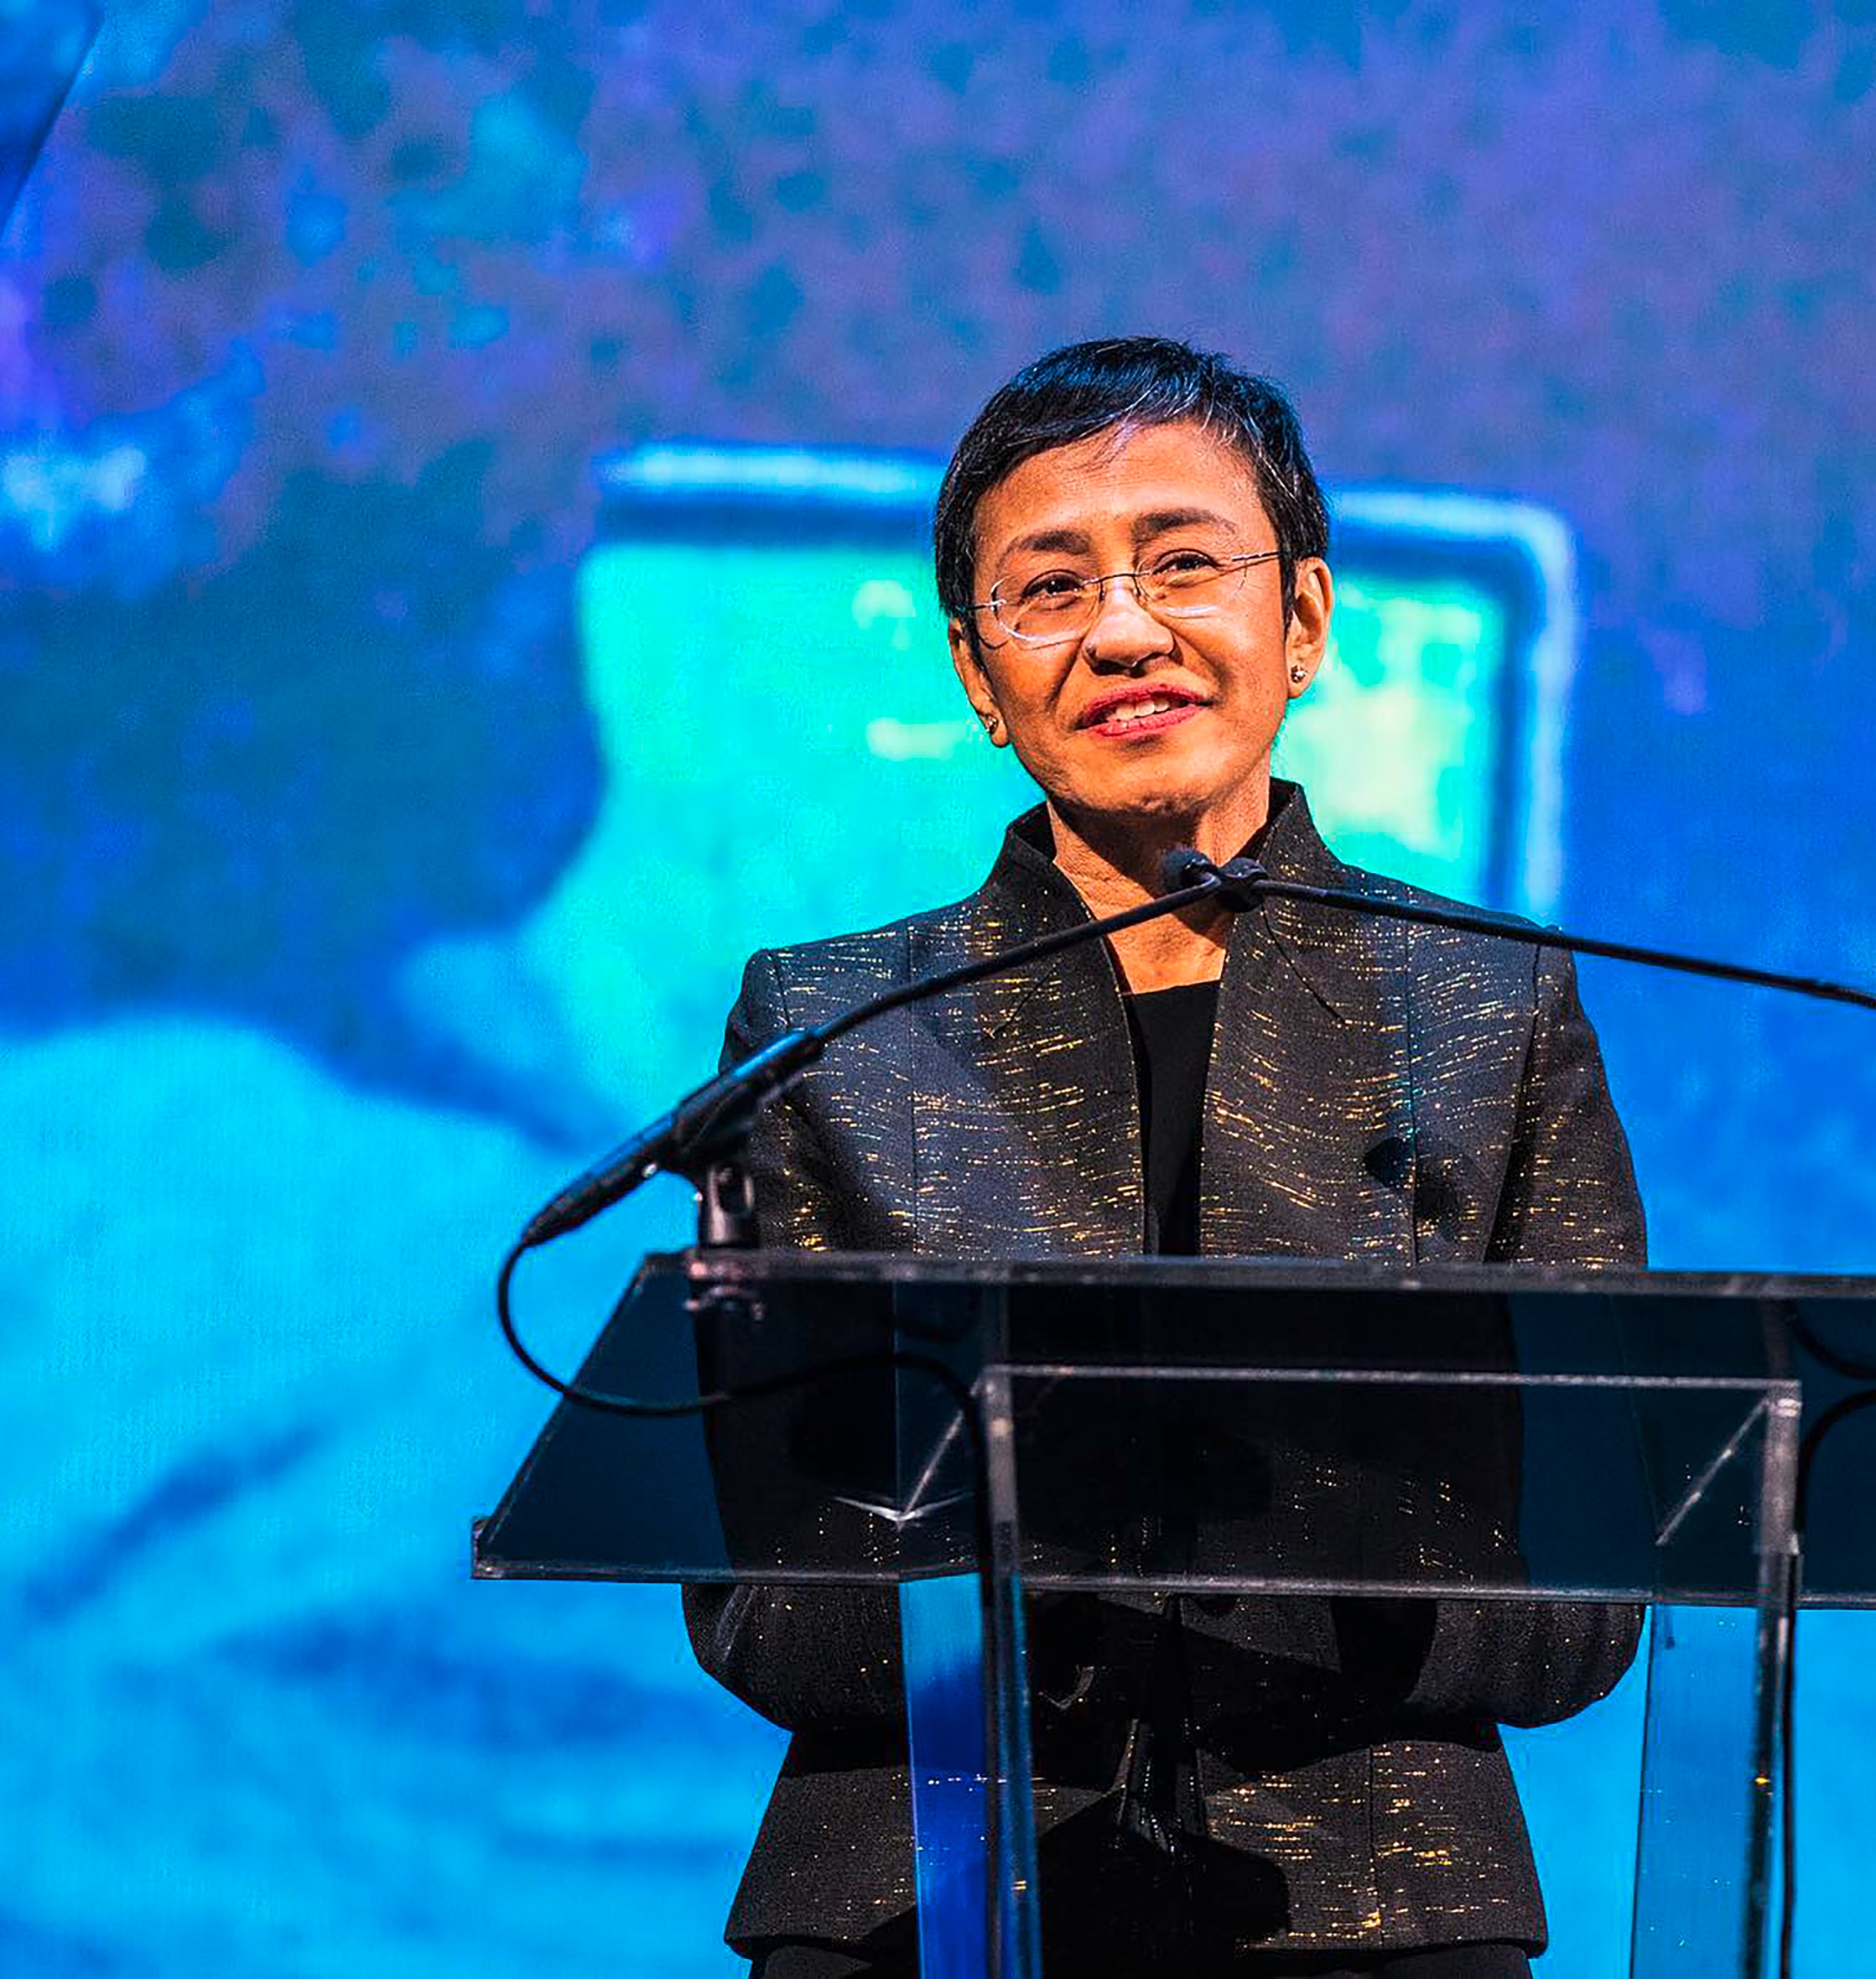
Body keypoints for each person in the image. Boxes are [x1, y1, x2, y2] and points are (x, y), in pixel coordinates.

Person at [685, 337, 1645, 1977]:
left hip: (1381, 1890)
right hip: (915, 1888)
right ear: (981, 681)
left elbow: (1593, 1579)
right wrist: (1039, 1528)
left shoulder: (1488, 1003)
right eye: (1048, 591)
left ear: (1306, 623)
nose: (1126, 629)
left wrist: (1285, 1531)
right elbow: (763, 1603)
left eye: (1187, 565)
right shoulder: (828, 1025)